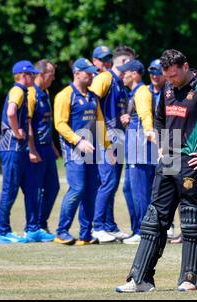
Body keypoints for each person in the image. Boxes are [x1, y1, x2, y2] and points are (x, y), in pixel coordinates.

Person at [115, 49, 197, 292]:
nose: (170, 81)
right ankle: (140, 279)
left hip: (192, 163)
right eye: (166, 77)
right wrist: (161, 147)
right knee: (153, 220)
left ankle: (190, 279)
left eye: (173, 76)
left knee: (191, 221)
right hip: (167, 161)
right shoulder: (167, 90)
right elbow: (159, 119)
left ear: (185, 66)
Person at [53, 58, 111, 246]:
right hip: (74, 151)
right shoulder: (64, 95)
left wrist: (108, 146)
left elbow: (99, 122)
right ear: (77, 73)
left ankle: (85, 235)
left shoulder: (93, 96)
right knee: (77, 189)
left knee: (91, 191)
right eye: (88, 72)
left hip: (92, 151)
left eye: (93, 72)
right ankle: (62, 232)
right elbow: (60, 124)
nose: (92, 75)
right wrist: (78, 141)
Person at [89, 46, 136, 243]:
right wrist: (100, 135)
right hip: (106, 139)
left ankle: (109, 226)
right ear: (124, 63)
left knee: (112, 184)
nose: (134, 68)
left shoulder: (120, 83)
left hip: (117, 139)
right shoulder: (104, 78)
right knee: (107, 182)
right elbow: (92, 103)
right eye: (132, 63)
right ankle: (97, 227)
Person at [0, 61, 40, 244]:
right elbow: (11, 112)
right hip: (12, 148)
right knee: (9, 190)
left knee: (29, 189)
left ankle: (32, 229)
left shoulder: (23, 91)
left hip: (19, 150)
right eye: (32, 74)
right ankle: (4, 232)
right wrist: (16, 132)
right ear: (24, 75)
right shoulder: (17, 90)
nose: (34, 77)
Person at [118, 59, 156, 244]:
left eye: (124, 72)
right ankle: (137, 229)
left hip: (140, 149)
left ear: (134, 74)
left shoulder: (141, 92)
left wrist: (148, 130)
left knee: (140, 191)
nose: (121, 75)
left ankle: (143, 231)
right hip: (134, 148)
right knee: (128, 189)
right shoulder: (134, 92)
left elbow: (146, 114)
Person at [23, 60, 60, 242]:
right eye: (51, 74)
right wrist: (31, 149)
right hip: (35, 149)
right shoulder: (31, 94)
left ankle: (41, 223)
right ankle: (32, 227)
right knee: (35, 189)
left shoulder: (45, 93)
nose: (53, 78)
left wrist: (52, 146)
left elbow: (47, 124)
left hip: (47, 148)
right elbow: (28, 124)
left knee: (53, 186)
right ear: (41, 74)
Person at [148, 59, 176, 240]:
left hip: (173, 143)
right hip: (156, 143)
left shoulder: (172, 90)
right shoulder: (151, 93)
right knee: (158, 187)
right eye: (152, 71)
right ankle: (162, 224)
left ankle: (172, 225)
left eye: (158, 72)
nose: (154, 75)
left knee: (175, 185)